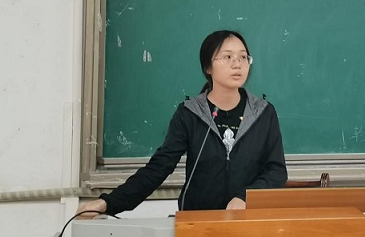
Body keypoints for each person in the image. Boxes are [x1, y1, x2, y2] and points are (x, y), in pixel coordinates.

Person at [76, 30, 287, 216]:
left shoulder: (263, 113)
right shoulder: (190, 114)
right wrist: (107, 203)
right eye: (227, 57)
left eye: (243, 57)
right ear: (208, 67)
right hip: (197, 223)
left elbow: (276, 171)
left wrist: (244, 197)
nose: (237, 64)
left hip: (249, 221)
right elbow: (159, 168)